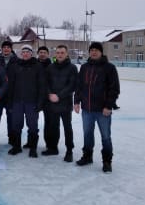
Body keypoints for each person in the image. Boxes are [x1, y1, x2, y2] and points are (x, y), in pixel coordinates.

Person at [74, 42, 120, 173]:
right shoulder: (84, 67)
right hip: (87, 109)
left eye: (96, 50)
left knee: (105, 136)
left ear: (101, 52)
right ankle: (87, 156)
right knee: (87, 135)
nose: (93, 52)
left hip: (102, 110)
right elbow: (79, 86)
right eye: (91, 50)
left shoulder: (109, 68)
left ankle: (107, 161)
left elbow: (114, 89)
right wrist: (76, 101)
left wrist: (108, 106)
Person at [7, 44, 46, 158]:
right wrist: (10, 102)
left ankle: (33, 148)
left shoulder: (37, 66)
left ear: (31, 53)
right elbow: (11, 85)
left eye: (27, 52)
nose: (25, 54)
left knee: (32, 126)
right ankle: (17, 146)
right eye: (23, 52)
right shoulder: (15, 66)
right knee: (16, 125)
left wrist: (40, 103)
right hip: (17, 101)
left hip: (31, 102)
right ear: (20, 53)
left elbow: (41, 86)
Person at [42, 45, 78, 162]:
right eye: (58, 53)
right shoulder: (50, 68)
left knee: (67, 128)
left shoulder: (72, 68)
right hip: (52, 102)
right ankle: (53, 148)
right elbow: (45, 84)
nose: (60, 55)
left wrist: (59, 96)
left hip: (65, 103)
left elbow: (72, 85)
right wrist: (49, 94)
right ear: (55, 54)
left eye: (62, 52)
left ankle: (69, 151)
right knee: (53, 127)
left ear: (67, 54)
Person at [22, 45, 51, 149]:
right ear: (37, 53)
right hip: (36, 97)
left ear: (48, 54)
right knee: (32, 121)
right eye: (40, 52)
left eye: (44, 52)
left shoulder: (51, 65)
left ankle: (50, 144)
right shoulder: (34, 64)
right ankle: (31, 142)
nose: (42, 54)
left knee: (49, 122)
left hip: (49, 98)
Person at [0, 40, 18, 144]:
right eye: (4, 47)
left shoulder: (17, 61)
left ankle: (12, 138)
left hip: (11, 94)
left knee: (11, 118)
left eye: (8, 47)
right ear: (2, 49)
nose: (6, 49)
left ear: (11, 49)